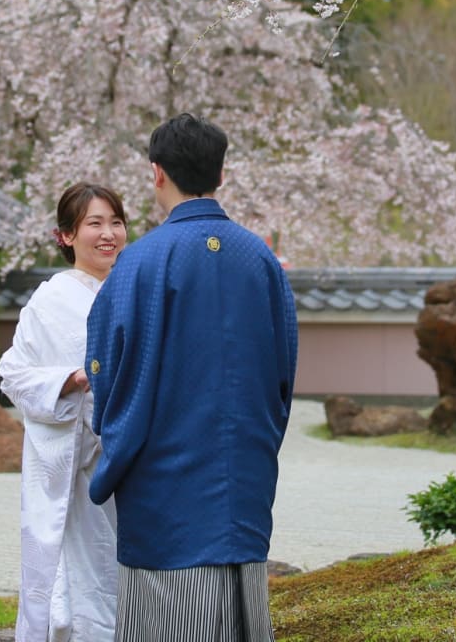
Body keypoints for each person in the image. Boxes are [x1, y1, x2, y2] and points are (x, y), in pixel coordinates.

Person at [85, 114, 299, 642]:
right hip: (244, 474)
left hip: (166, 479)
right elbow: (283, 372)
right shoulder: (260, 258)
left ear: (156, 173)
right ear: (221, 174)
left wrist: (118, 443)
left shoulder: (138, 263)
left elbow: (108, 371)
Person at [0, 181, 129, 642]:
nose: (108, 233)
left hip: (128, 462)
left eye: (116, 222)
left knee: (119, 572)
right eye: (94, 223)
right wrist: (69, 381)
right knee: (71, 577)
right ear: (67, 236)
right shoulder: (51, 299)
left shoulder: (135, 291)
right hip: (70, 465)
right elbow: (13, 373)